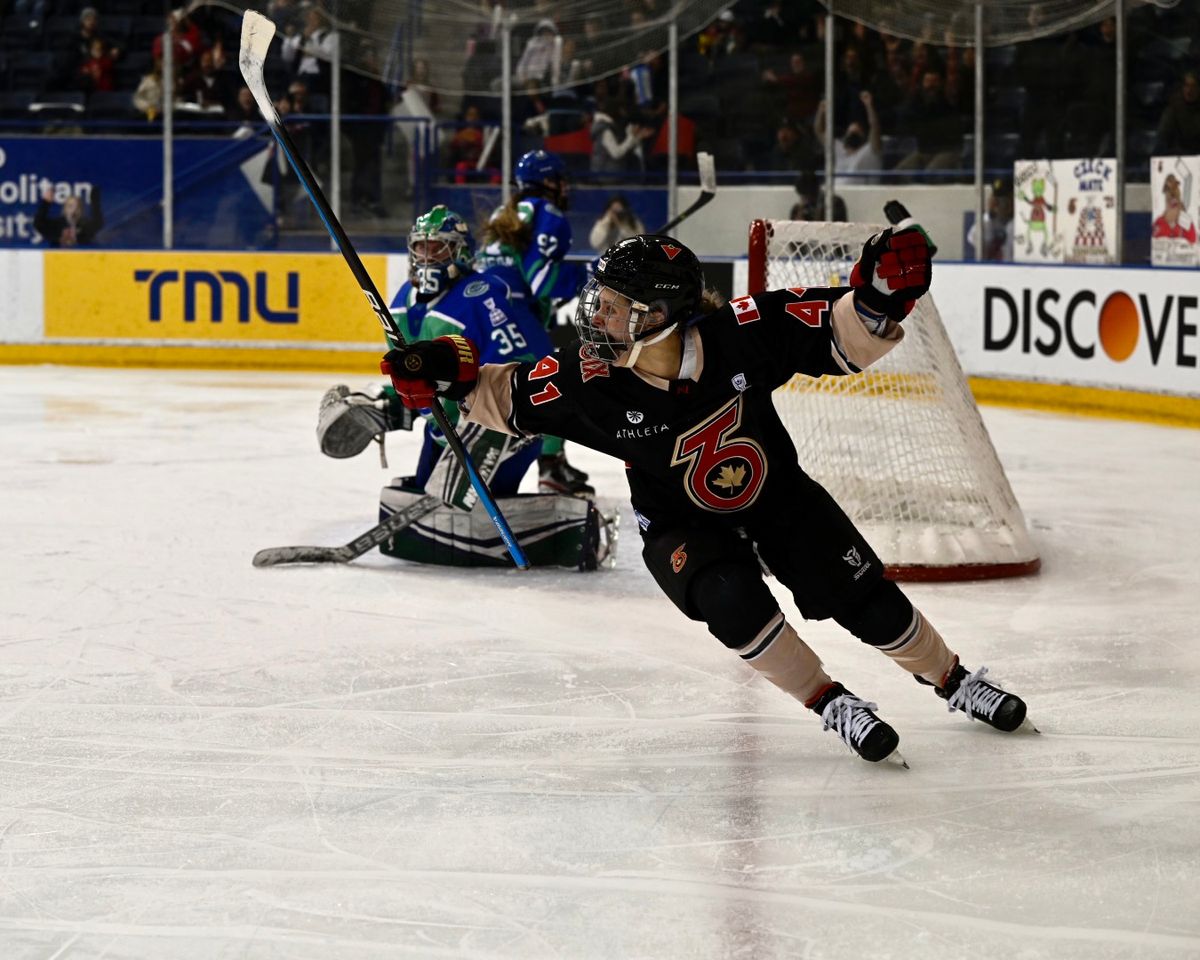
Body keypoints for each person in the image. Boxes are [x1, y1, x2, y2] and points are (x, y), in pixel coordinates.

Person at [380, 226, 1031, 764]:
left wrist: (881, 300)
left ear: (655, 315)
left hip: (777, 496)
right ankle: (832, 702)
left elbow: (840, 331)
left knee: (863, 599)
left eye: (611, 304)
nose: (595, 314)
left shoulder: (742, 333)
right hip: (678, 523)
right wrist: (442, 372)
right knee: (732, 603)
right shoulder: (589, 377)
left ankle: (954, 680)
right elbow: (500, 392)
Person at [316, 206, 608, 568]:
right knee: (434, 507)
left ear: (460, 252)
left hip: (499, 431)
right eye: (420, 248)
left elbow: (526, 367)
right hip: (442, 432)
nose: (426, 257)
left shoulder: (481, 295)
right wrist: (391, 403)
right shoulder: (401, 301)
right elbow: (413, 379)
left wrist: (515, 429)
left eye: (437, 248)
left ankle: (559, 526)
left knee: (474, 514)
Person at [476, 148, 595, 496]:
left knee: (498, 388)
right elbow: (542, 280)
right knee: (556, 382)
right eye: (560, 180)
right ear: (548, 181)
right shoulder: (548, 212)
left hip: (486, 309)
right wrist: (587, 273)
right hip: (512, 311)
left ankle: (487, 462)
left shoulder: (507, 210)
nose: (564, 187)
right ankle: (551, 468)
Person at [815, 91, 884, 190]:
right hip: (834, 194)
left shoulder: (870, 150)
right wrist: (821, 111)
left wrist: (869, 106)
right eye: (851, 133)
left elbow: (875, 127)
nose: (853, 135)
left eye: (856, 133)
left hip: (862, 195)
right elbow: (819, 130)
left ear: (863, 136)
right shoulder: (838, 148)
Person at [34, 186, 103, 247]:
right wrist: (45, 203)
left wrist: (95, 202)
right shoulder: (57, 225)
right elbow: (38, 224)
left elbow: (98, 223)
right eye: (70, 206)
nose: (74, 209)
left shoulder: (84, 226)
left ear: (81, 210)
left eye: (77, 207)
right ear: (65, 208)